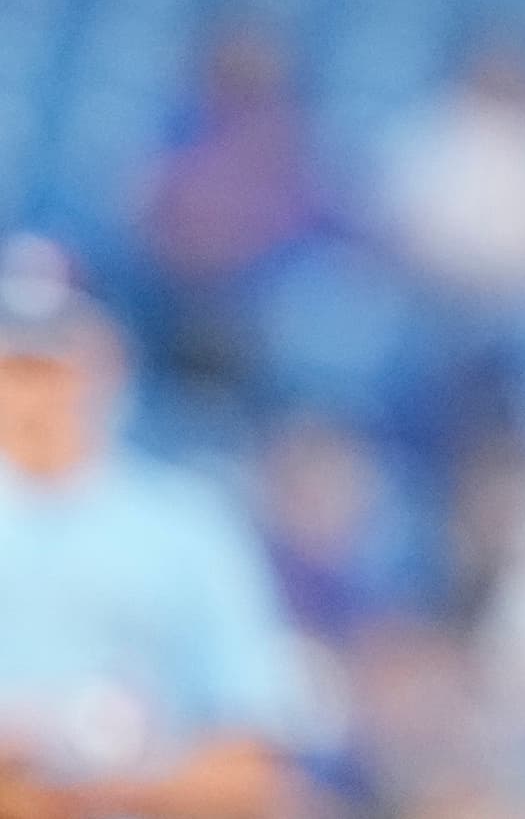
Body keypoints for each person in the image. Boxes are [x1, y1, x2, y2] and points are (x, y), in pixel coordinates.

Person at [0, 234, 306, 819]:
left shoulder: (188, 526)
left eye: (54, 355)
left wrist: (94, 782)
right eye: (17, 359)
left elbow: (257, 764)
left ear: (109, 358)